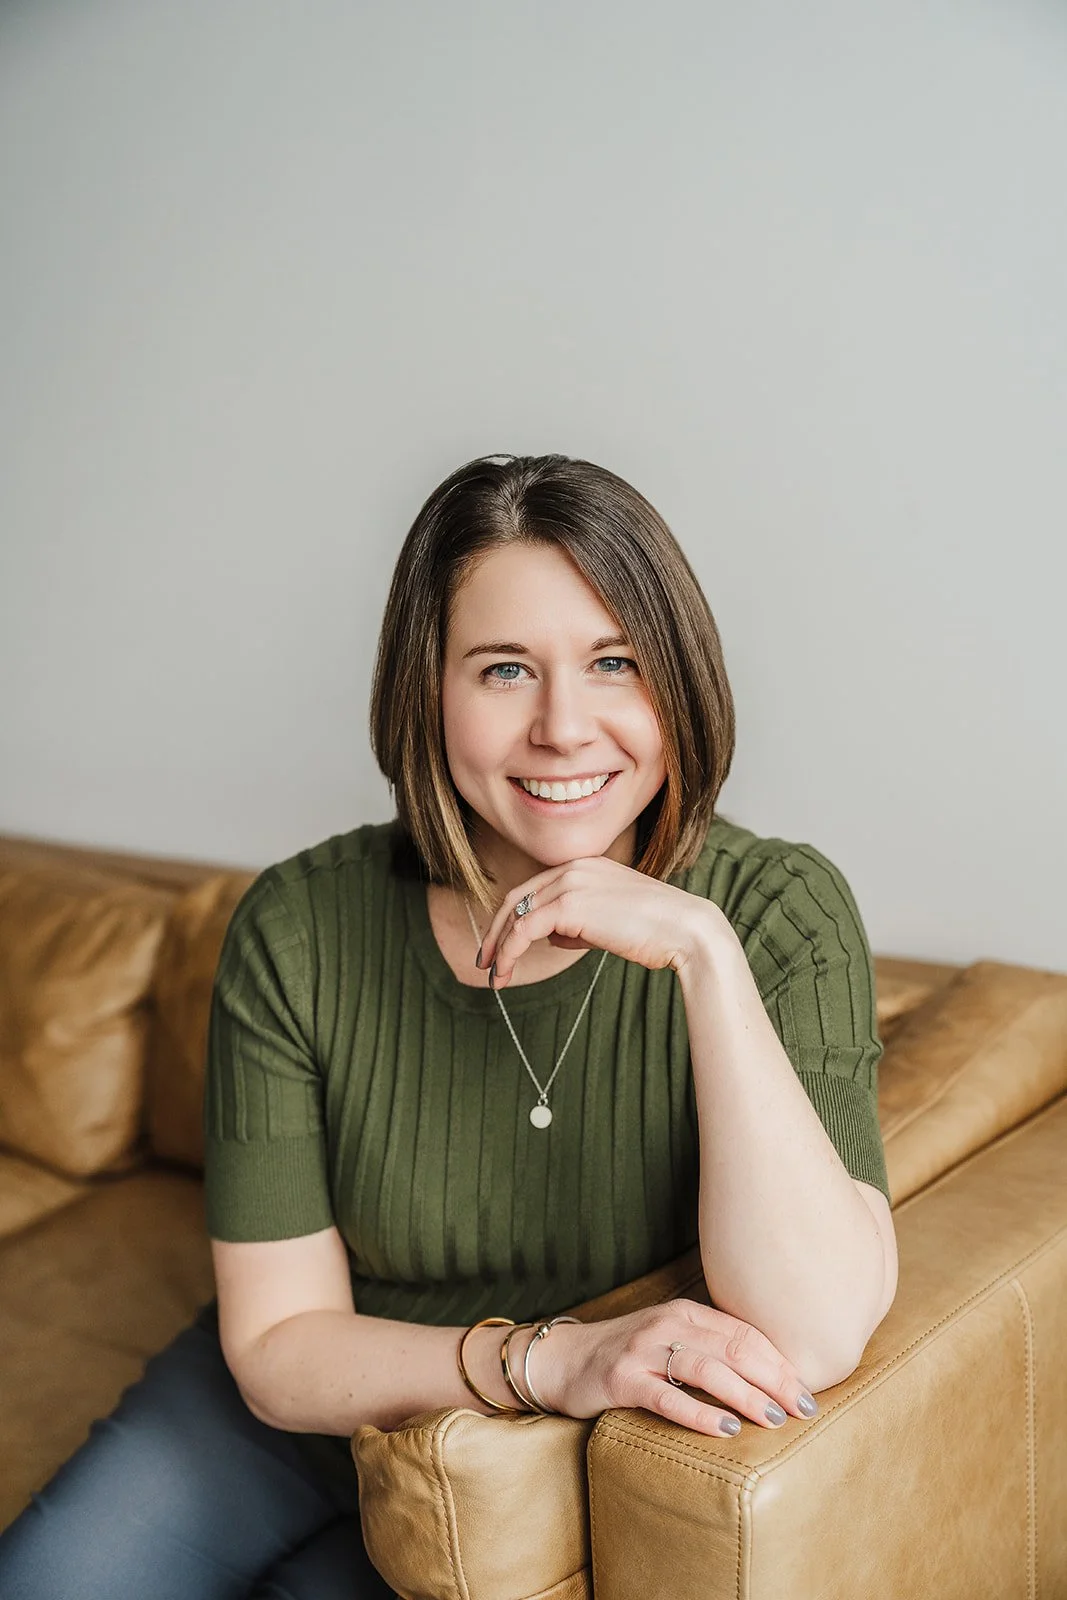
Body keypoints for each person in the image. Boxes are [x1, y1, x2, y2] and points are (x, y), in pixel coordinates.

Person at [0, 452, 896, 1598]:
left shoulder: (777, 914)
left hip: (514, 1466)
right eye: (504, 668)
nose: (563, 727)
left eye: (613, 661)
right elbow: (278, 1350)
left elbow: (814, 1332)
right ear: (425, 690)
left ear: (677, 678)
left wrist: (700, 954)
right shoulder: (298, 925)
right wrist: (548, 1357)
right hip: (326, 1394)